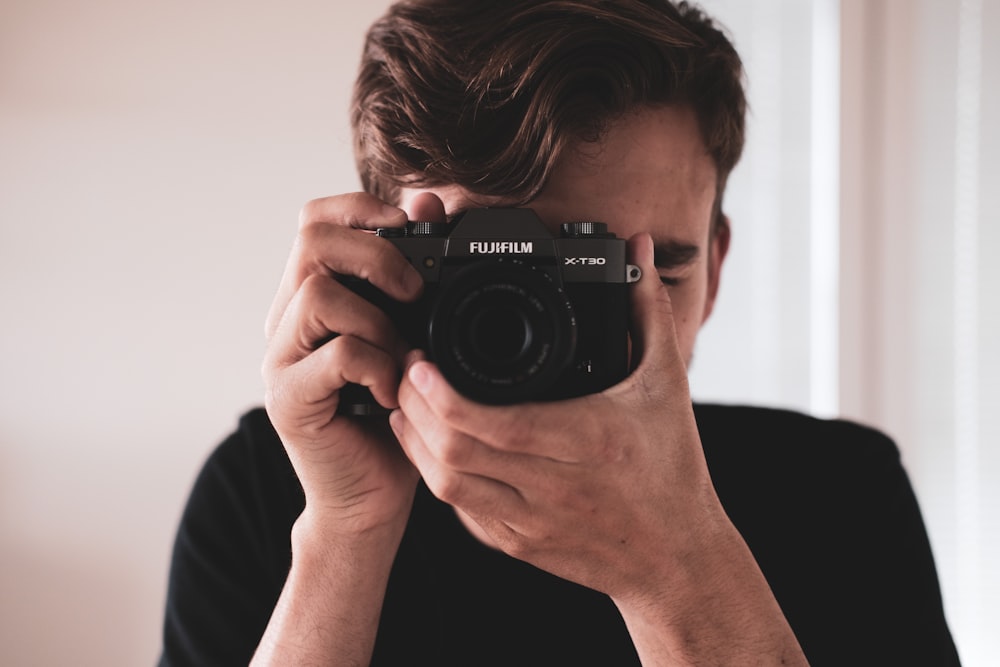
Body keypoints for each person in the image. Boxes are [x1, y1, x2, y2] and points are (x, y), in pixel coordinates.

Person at [160, 1, 960, 665]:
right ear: (380, 254)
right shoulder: (271, 494)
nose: (578, 325)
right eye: (509, 277)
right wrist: (344, 534)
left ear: (714, 268)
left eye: (648, 272)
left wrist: (678, 567)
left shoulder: (844, 495)